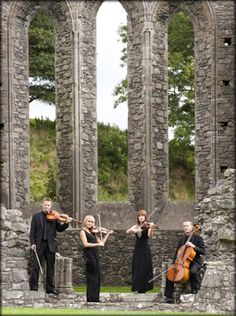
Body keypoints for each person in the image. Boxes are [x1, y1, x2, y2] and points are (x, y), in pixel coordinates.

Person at [29, 198, 71, 294]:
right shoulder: (36, 217)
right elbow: (32, 232)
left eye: (48, 205)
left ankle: (50, 288)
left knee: (50, 268)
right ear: (42, 205)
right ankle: (34, 287)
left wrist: (66, 223)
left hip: (51, 245)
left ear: (50, 206)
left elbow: (59, 229)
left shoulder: (55, 216)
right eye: (45, 205)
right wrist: (33, 243)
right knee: (36, 266)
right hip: (39, 245)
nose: (46, 206)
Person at [163, 221, 205, 304]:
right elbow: (177, 252)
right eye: (184, 226)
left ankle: (194, 290)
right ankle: (168, 297)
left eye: (187, 226)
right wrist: (174, 262)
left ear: (192, 227)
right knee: (170, 274)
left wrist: (193, 246)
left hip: (194, 261)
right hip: (181, 262)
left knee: (193, 271)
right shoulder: (182, 239)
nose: (186, 227)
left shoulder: (198, 238)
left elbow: (203, 251)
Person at [80, 215, 112, 302]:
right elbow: (85, 244)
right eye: (89, 221)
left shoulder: (93, 233)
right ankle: (90, 298)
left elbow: (101, 243)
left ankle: (95, 298)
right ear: (85, 221)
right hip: (89, 256)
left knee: (97, 277)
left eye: (92, 222)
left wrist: (107, 233)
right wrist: (98, 244)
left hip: (95, 255)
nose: (90, 223)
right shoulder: (83, 231)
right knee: (91, 277)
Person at [126, 209, 154, 293]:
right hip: (137, 248)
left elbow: (149, 236)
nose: (141, 217)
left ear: (145, 217)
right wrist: (132, 230)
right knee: (137, 266)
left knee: (144, 267)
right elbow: (127, 232)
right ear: (138, 217)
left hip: (145, 248)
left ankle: (144, 288)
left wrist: (151, 228)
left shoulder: (148, 226)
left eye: (143, 216)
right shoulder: (136, 226)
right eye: (139, 216)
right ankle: (136, 287)